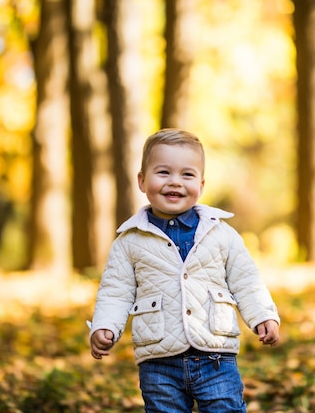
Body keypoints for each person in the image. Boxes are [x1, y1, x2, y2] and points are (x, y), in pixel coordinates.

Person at [88, 128, 280, 413]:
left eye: (187, 175)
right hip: (158, 360)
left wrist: (263, 315)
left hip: (216, 355)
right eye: (163, 172)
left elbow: (246, 279)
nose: (174, 182)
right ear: (142, 181)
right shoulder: (129, 242)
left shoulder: (221, 234)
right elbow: (115, 291)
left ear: (201, 185)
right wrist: (105, 326)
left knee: (225, 408)